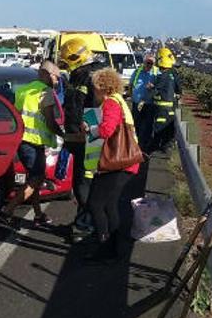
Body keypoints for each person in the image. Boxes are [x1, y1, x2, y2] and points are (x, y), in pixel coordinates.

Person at [0, 61, 64, 227]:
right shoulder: (46, 92)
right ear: (46, 74)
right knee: (37, 178)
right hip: (34, 142)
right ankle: (7, 211)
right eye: (56, 77)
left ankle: (38, 214)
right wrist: (64, 135)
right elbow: (50, 121)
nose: (57, 82)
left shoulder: (23, 90)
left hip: (23, 140)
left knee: (33, 178)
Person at [84, 67, 140, 263]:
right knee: (110, 204)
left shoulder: (110, 103)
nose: (93, 91)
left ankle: (104, 245)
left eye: (94, 87)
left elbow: (107, 130)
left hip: (117, 162)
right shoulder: (120, 101)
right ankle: (115, 247)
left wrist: (90, 129)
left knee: (95, 204)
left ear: (101, 87)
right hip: (127, 163)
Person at [59, 37, 106, 242]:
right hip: (79, 138)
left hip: (89, 139)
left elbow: (95, 110)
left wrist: (88, 133)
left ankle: (87, 225)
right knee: (81, 183)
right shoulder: (80, 76)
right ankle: (84, 221)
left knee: (84, 184)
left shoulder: (90, 77)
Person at [130, 55, 159, 152]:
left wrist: (153, 87)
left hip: (149, 103)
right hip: (137, 102)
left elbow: (160, 87)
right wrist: (131, 96)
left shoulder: (156, 73)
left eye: (151, 63)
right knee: (136, 124)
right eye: (148, 63)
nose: (149, 65)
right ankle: (135, 144)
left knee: (147, 126)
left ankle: (145, 147)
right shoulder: (137, 71)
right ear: (144, 63)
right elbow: (131, 84)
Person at [150, 50, 178, 154]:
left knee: (159, 128)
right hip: (171, 108)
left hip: (162, 109)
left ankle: (155, 147)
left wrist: (151, 88)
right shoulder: (173, 75)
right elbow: (178, 89)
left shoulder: (162, 77)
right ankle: (166, 146)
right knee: (169, 128)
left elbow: (155, 90)